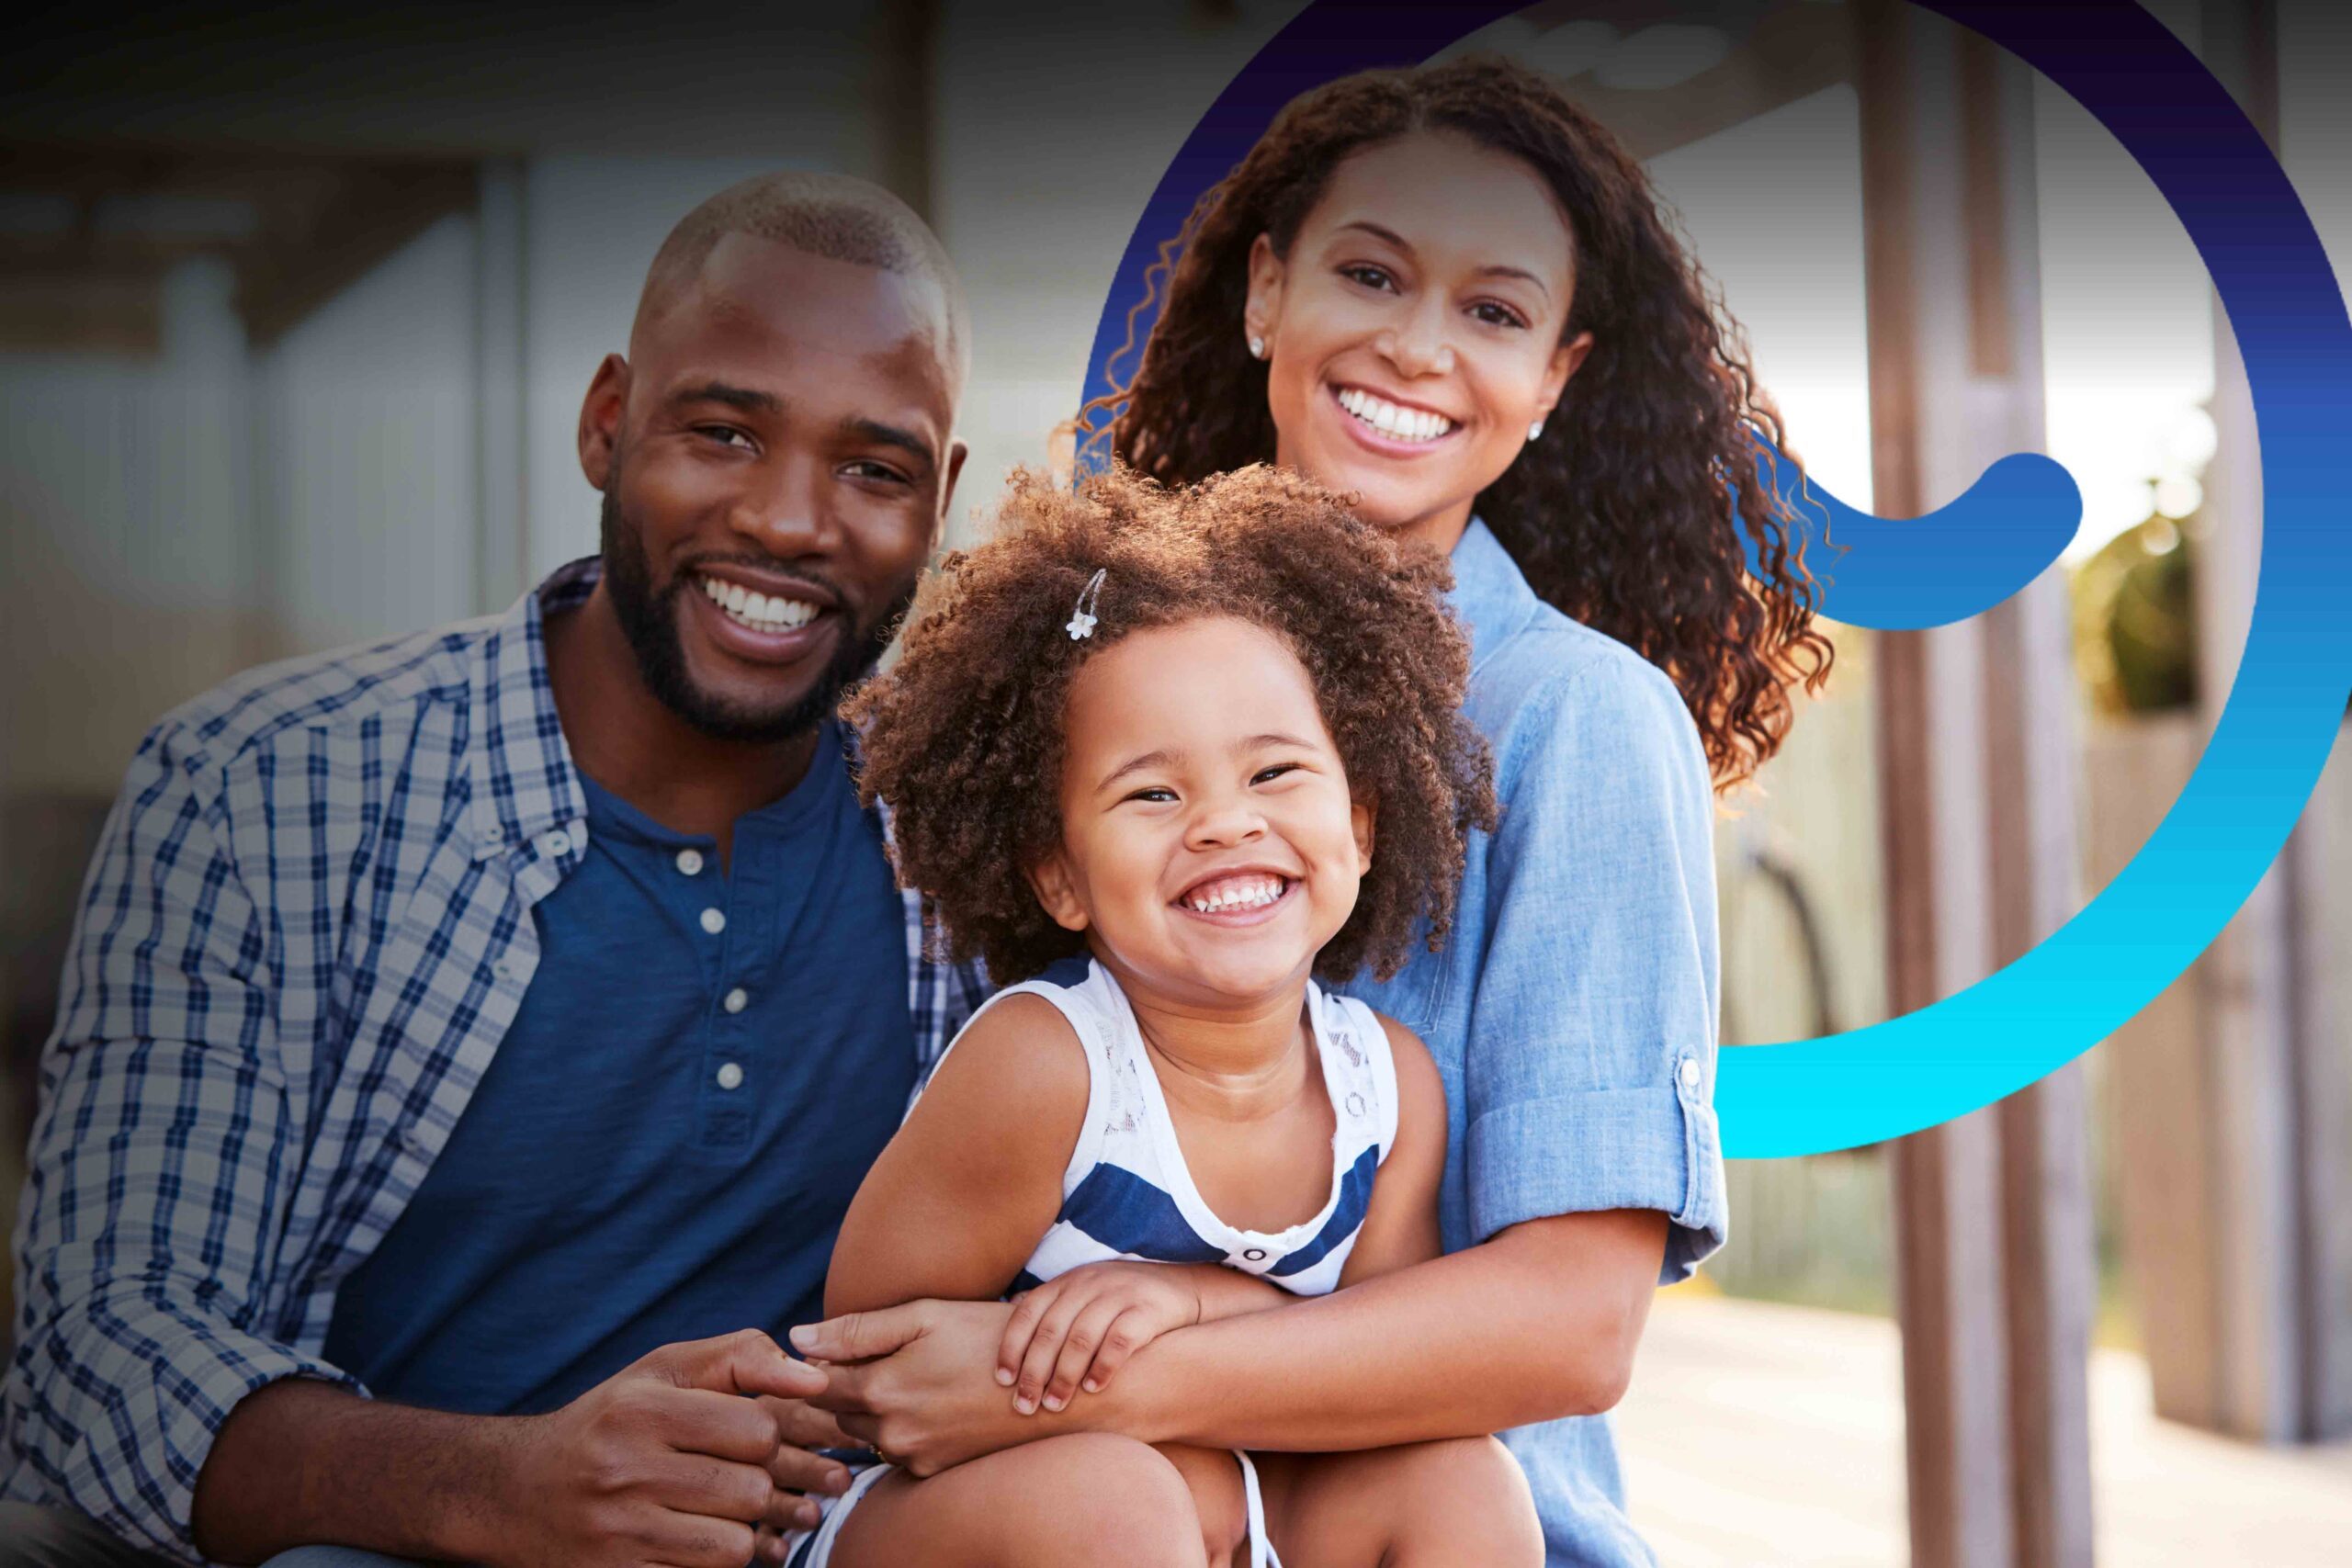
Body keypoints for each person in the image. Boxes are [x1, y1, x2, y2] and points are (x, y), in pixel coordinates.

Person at [788, 55, 1832, 1567]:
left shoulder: (1574, 720)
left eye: (1494, 310)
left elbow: (1573, 1322)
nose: (1418, 346)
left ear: (1555, 375)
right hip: (1080, 1509)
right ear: (1266, 292)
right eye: (1370, 272)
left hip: (1418, 1515)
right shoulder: (1087, 656)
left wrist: (1086, 1379)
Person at [0, 172, 987, 1568]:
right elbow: (95, 1353)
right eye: (722, 431)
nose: (787, 519)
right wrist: (508, 1488)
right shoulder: (260, 790)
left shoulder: (982, 835)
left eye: (872, 468)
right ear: (605, 421)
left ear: (938, 498)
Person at [797, 464, 1532, 1568]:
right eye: (1153, 793)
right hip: (965, 1524)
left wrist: (1189, 1298)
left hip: (1232, 1500)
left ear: (1363, 825)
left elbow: (1378, 1373)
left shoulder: (1388, 1088)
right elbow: (870, 1368)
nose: (1225, 825)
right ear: (1059, 877)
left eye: (1275, 772)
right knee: (1115, 1500)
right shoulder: (1047, 1068)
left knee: (1462, 1478)